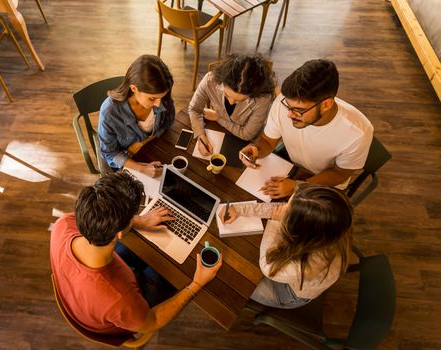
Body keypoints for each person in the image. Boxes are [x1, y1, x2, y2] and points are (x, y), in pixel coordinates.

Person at [50, 171, 222, 336]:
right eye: (134, 215)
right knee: (168, 272)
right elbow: (152, 321)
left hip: (84, 294)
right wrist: (197, 284)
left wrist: (140, 220)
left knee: (145, 253)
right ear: (118, 233)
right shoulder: (118, 299)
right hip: (122, 315)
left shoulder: (63, 223)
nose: (135, 216)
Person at [240, 59, 373, 199]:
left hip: (324, 182)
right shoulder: (282, 103)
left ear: (326, 104)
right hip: (291, 166)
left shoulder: (358, 133)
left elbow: (339, 174)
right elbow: (267, 141)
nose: (289, 114)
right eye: (288, 106)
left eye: (298, 110)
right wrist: (256, 149)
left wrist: (298, 186)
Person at [220, 184, 352, 309]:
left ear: (300, 230)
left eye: (287, 211)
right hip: (296, 270)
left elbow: (267, 266)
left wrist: (275, 221)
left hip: (291, 292)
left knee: (231, 280)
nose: (282, 208)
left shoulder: (304, 266)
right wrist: (240, 209)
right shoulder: (331, 227)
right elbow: (280, 209)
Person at [98, 55, 175, 177]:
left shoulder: (161, 97)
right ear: (134, 88)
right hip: (125, 161)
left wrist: (143, 142)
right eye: (152, 98)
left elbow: (167, 123)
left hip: (151, 149)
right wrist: (142, 169)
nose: (159, 104)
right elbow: (110, 153)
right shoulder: (109, 112)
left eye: (161, 97)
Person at [189, 53, 276, 156]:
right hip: (221, 133)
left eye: (240, 100)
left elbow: (247, 134)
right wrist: (201, 135)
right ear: (221, 81)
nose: (230, 102)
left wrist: (218, 118)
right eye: (226, 95)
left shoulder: (263, 99)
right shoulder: (210, 80)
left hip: (246, 145)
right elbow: (194, 109)